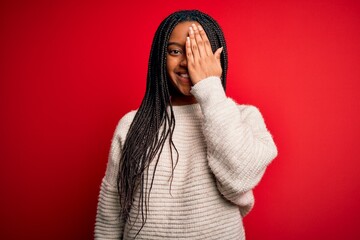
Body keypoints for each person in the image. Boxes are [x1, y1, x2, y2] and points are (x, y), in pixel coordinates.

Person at [94, 9, 277, 240]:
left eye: (198, 51)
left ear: (217, 59)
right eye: (175, 51)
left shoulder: (244, 117)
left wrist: (210, 86)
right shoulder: (132, 124)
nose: (187, 62)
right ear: (160, 57)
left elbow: (239, 179)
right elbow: (111, 210)